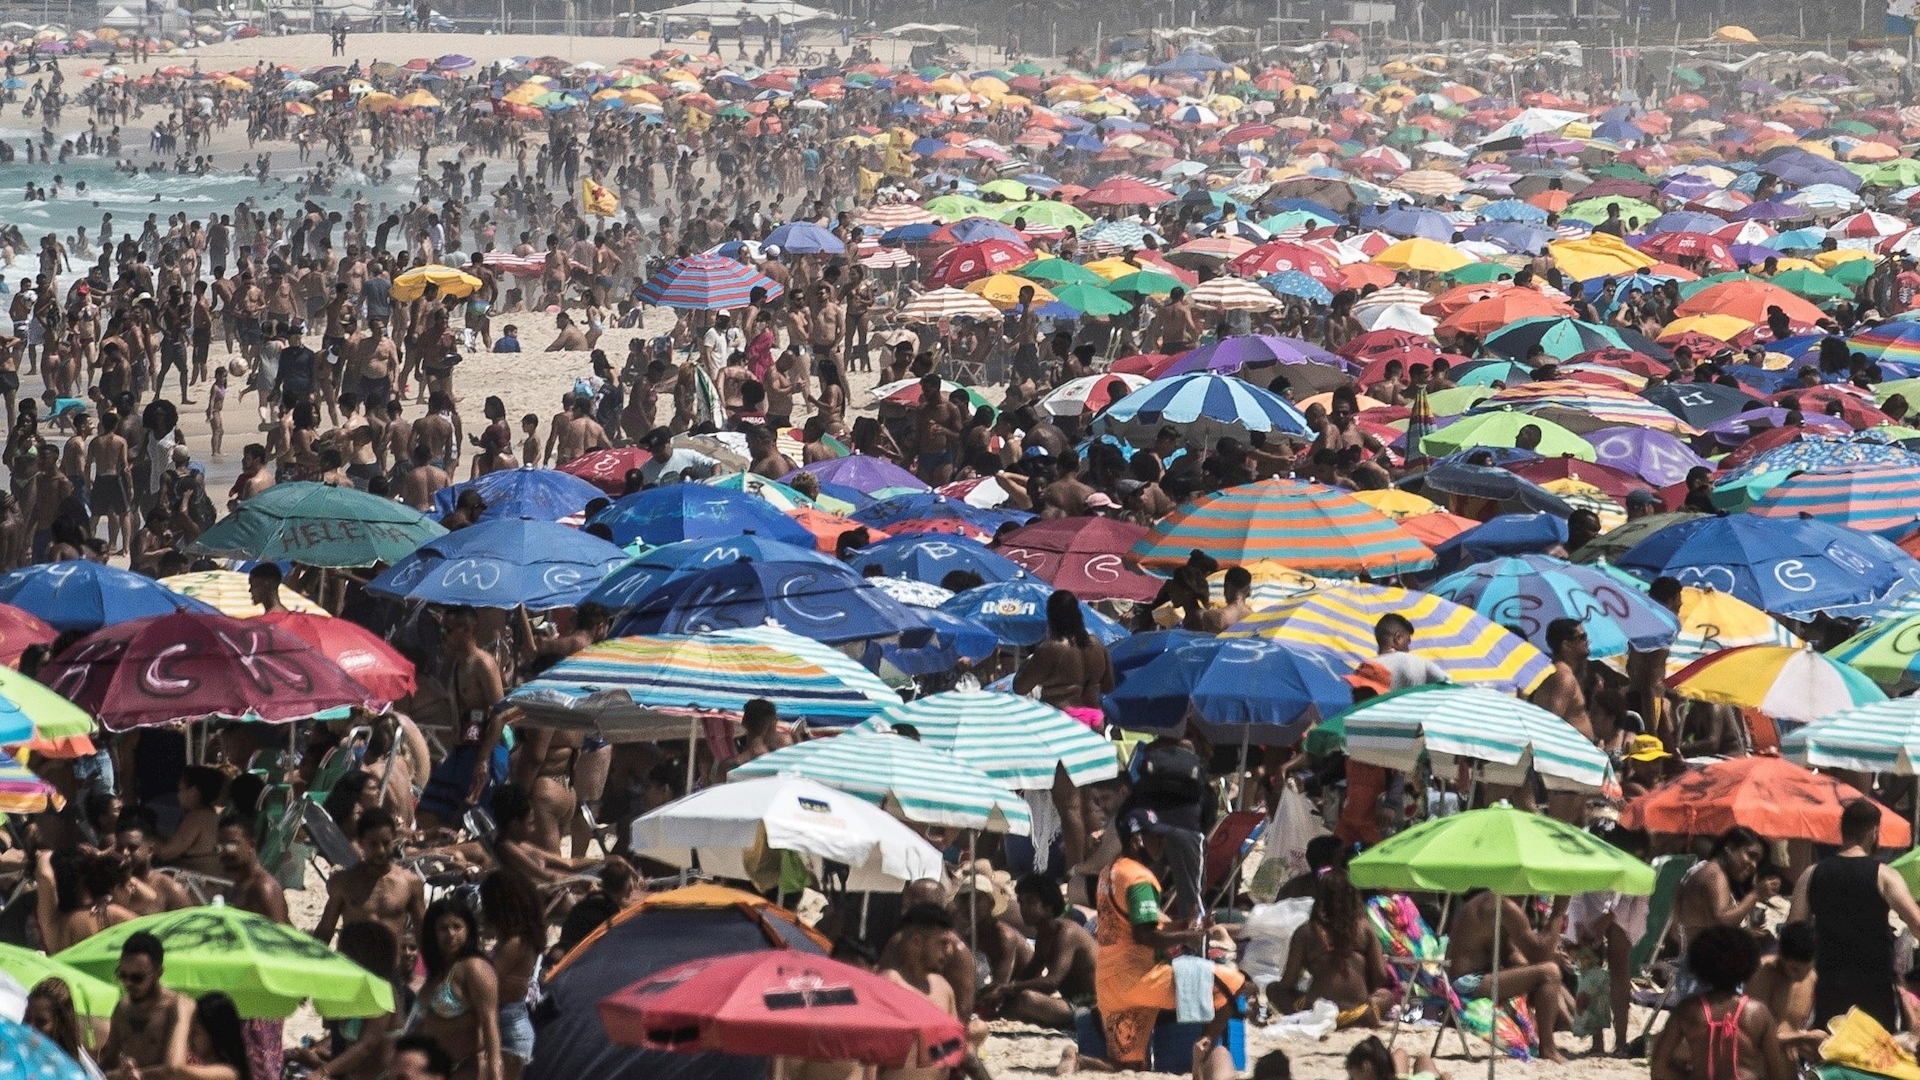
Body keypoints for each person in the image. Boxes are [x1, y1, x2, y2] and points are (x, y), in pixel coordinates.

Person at [1079, 808, 1244, 1074]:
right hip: (1141, 977)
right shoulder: (1140, 878)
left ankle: (1078, 1060)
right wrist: (1190, 936)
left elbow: (1134, 925)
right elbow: (1145, 936)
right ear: (1137, 840)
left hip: (1109, 980)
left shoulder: (1109, 872)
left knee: (1128, 1065)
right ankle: (1204, 1045)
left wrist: (1182, 925)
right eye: (1155, 837)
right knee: (1233, 985)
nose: (1161, 843)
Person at [1789, 798, 1920, 1030]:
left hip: (1828, 984)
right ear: (1874, 831)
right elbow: (1917, 923)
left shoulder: (1811, 874)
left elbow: (1793, 933)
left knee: (1829, 1053)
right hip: (1874, 987)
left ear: (1842, 830)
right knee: (1873, 1059)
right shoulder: (1884, 875)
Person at [1444, 888, 1572, 1062]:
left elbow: (1508, 953)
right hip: (1467, 983)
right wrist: (1558, 911)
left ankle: (1566, 1022)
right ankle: (1548, 1049)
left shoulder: (1487, 901)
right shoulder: (1505, 906)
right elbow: (1540, 952)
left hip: (1465, 979)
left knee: (1542, 971)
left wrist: (1530, 967)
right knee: (1549, 973)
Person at [1650, 926, 1791, 1080]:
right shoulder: (1758, 1013)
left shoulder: (1688, 1010)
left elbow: (1659, 1068)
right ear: (1748, 964)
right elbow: (1778, 1074)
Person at [1273, 867, 1394, 1028]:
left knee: (1274, 990)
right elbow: (1380, 974)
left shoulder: (1306, 931)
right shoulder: (1365, 928)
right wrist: (1366, 991)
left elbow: (1288, 982)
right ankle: (1361, 1017)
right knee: (1387, 995)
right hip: (1359, 1012)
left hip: (1317, 1011)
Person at [981, 874, 1096, 1030]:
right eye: (1021, 902)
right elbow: (1032, 972)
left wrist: (1008, 988)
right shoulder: (1044, 934)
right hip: (1072, 1002)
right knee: (1012, 997)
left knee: (1027, 999)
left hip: (1092, 1005)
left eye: (1031, 902)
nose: (1023, 909)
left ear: (1049, 907)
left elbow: (1051, 982)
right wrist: (1000, 990)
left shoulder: (1066, 932)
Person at [414, 898, 502, 1080]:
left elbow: (490, 1023)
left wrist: (496, 1075)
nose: (451, 933)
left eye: (457, 926)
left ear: (468, 929)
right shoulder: (437, 972)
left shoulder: (475, 967)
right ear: (433, 933)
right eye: (443, 928)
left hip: (467, 1067)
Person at [315, 807, 426, 948]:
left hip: (390, 967)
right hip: (352, 966)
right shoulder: (344, 882)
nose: (381, 851)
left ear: (394, 840)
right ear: (361, 843)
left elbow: (423, 935)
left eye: (386, 843)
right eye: (373, 844)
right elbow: (324, 933)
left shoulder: (410, 883)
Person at [100, 932, 192, 1077]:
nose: (128, 983)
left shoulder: (178, 1008)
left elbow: (174, 1069)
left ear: (159, 973)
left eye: (137, 978)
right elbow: (109, 1060)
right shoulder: (122, 1008)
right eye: (122, 975)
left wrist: (131, 1075)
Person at [478, 873, 541, 1080]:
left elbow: (486, 981)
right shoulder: (519, 940)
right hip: (509, 1022)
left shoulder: (515, 943)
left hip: (509, 1026)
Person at [1744, 921, 1824, 1061]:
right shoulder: (1761, 975)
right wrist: (1804, 1036)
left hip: (1794, 1063)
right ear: (1781, 955)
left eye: (1807, 968)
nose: (1801, 975)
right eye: (1795, 969)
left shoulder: (1811, 977)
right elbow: (1754, 1034)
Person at [132, 992, 251, 1080]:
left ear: (214, 1033)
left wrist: (181, 1019)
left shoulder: (229, 1073)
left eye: (194, 1032)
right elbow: (164, 1072)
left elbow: (173, 1070)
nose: (188, 1038)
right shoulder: (205, 1069)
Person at [28, 977, 103, 1078]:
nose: (30, 1028)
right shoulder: (13, 1059)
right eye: (27, 1020)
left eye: (41, 1022)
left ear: (62, 1024)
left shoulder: (75, 1073)